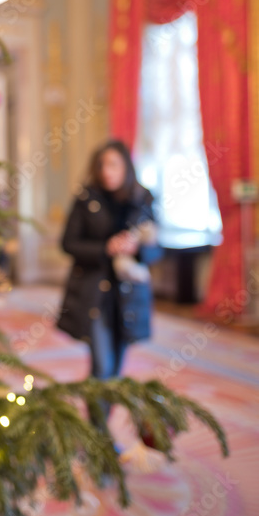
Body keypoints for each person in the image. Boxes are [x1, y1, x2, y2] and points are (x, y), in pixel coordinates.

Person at [57, 140, 162, 386]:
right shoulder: (86, 199)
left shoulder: (142, 200)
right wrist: (105, 249)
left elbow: (157, 249)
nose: (107, 171)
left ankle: (98, 421)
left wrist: (136, 249)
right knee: (102, 366)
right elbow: (68, 243)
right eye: (102, 165)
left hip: (128, 296)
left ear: (126, 166)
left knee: (115, 370)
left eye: (113, 164)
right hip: (94, 292)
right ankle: (97, 425)